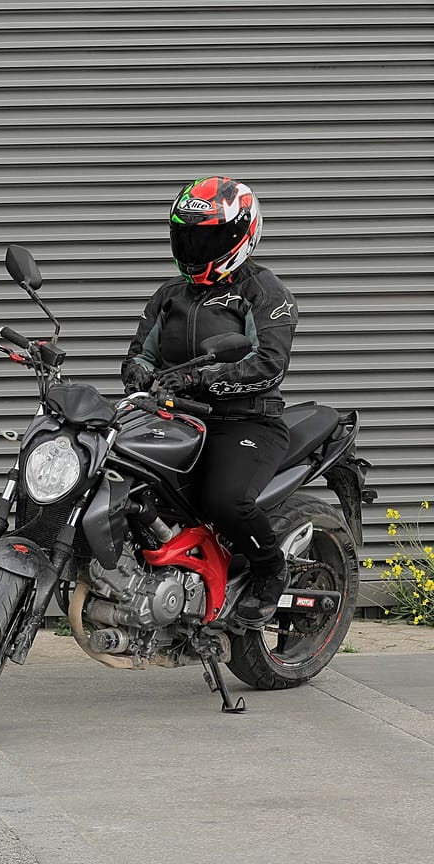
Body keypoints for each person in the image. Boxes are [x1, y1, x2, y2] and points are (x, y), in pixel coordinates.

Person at [121, 176, 298, 629]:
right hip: (176, 419)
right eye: (189, 236)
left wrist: (209, 378)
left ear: (241, 235)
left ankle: (269, 571)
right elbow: (140, 353)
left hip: (245, 422)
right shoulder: (169, 296)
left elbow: (269, 364)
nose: (198, 246)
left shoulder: (263, 291)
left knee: (224, 501)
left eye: (210, 236)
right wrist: (138, 372)